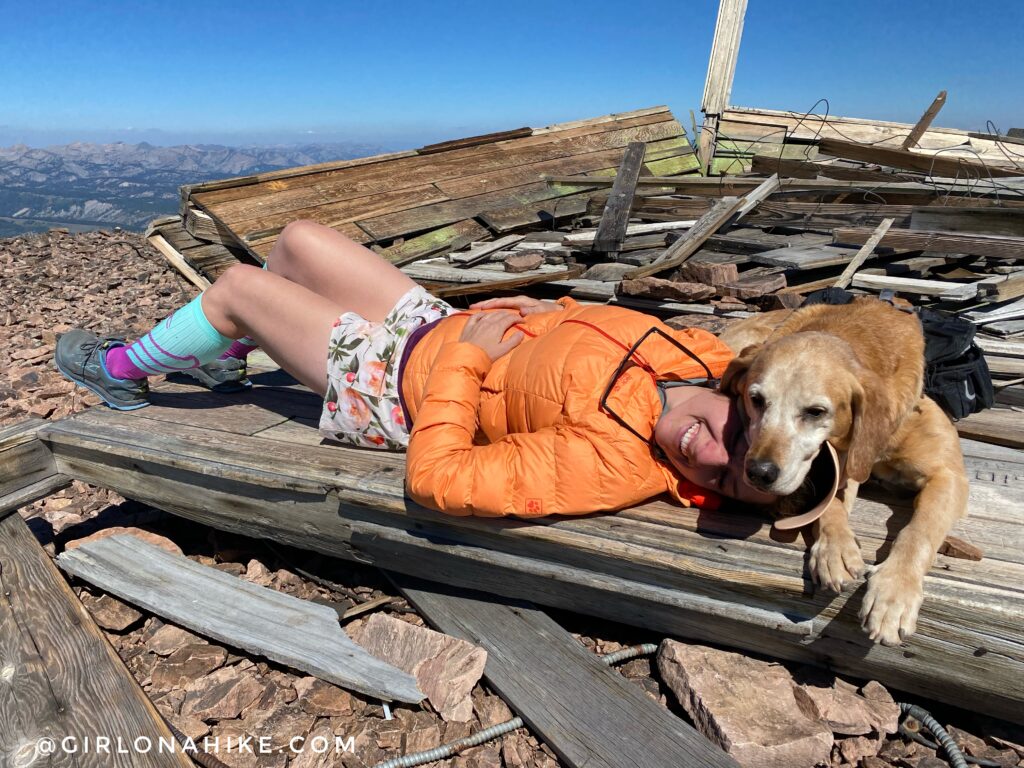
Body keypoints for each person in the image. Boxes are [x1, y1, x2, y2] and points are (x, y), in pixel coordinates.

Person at [56, 219, 777, 518]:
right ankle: (232, 352)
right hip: (437, 328)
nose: (705, 454)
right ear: (749, 405)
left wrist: (468, 358)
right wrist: (538, 307)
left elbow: (440, 480)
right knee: (299, 242)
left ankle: (121, 370)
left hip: (398, 390)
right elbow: (595, 334)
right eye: (737, 444)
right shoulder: (701, 357)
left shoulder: (615, 464)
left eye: (721, 479)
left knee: (240, 286)